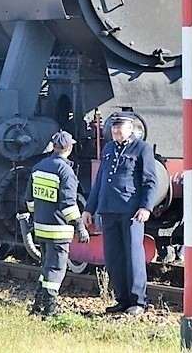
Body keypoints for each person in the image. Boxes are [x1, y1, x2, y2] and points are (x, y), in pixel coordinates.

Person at [82, 111, 158, 316]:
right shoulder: (108, 149)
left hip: (130, 210)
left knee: (133, 255)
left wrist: (146, 207)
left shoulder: (142, 149)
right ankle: (122, 299)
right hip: (108, 209)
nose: (116, 130)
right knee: (113, 256)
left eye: (120, 127)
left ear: (130, 129)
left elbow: (150, 181)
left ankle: (138, 301)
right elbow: (100, 182)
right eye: (114, 127)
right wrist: (89, 208)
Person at [24, 130, 90, 317]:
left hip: (41, 228)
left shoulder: (38, 167)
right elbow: (68, 204)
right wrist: (79, 226)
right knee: (56, 269)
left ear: (54, 147)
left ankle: (37, 306)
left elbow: (29, 200)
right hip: (59, 231)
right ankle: (50, 309)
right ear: (69, 148)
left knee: (46, 267)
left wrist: (36, 217)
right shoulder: (66, 171)